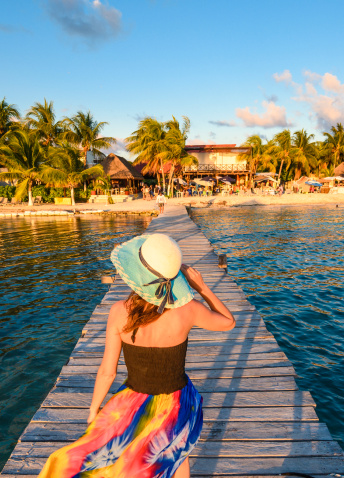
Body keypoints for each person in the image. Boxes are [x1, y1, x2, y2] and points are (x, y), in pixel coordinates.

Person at [37, 234, 236, 478]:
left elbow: (107, 371)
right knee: (177, 455)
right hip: (176, 403)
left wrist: (93, 410)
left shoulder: (119, 312)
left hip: (133, 402)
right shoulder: (189, 310)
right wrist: (202, 287)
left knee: (109, 460)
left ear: (137, 277)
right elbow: (228, 322)